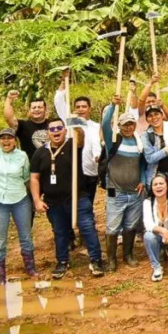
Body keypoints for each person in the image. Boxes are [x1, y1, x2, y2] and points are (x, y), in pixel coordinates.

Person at [30, 118, 106, 279]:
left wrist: (75, 125)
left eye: (59, 128)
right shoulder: (40, 153)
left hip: (77, 197)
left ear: (65, 130)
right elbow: (35, 178)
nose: (56, 131)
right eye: (52, 129)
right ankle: (62, 261)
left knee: (87, 227)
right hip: (53, 201)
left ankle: (96, 260)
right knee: (60, 232)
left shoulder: (72, 146)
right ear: (48, 133)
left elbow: (80, 137)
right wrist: (37, 200)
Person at [0, 97, 37, 283]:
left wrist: (34, 199)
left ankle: (31, 269)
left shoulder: (22, 156)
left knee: (26, 237)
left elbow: (27, 178)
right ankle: (1, 276)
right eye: (3, 138)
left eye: (9, 138)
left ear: (15, 141)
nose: (6, 141)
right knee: (0, 242)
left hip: (20, 201)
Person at [100, 99, 147, 272]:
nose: (128, 128)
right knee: (112, 227)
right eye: (125, 125)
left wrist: (142, 179)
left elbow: (142, 164)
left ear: (135, 126)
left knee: (130, 226)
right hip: (115, 192)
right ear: (119, 126)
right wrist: (112, 105)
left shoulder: (139, 142)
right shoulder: (113, 140)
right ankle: (111, 260)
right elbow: (105, 123)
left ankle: (128, 255)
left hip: (135, 192)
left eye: (131, 124)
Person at [53, 71, 101, 197]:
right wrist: (64, 80)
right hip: (71, 171)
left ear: (90, 108)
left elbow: (97, 144)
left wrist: (98, 156)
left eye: (84, 107)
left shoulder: (96, 126)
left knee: (87, 203)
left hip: (90, 172)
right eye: (78, 107)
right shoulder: (69, 120)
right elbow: (58, 100)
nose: (80, 109)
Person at [3, 89, 49, 158]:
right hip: (30, 167)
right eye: (34, 108)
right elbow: (9, 119)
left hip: (52, 165)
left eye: (40, 107)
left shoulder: (53, 124)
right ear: (29, 110)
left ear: (45, 109)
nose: (36, 109)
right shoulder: (23, 125)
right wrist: (9, 99)